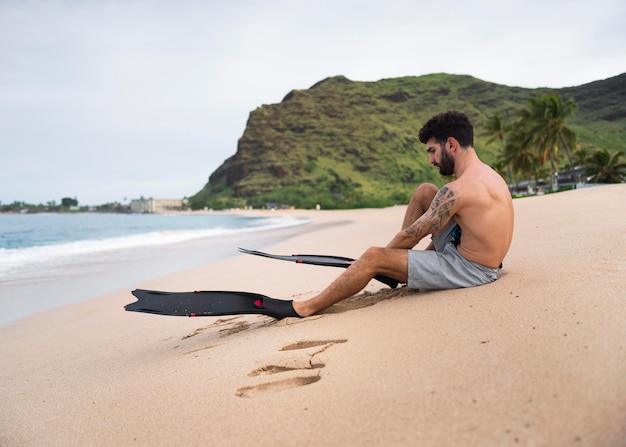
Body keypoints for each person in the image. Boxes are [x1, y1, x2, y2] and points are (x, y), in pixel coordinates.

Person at [291, 110, 514, 318]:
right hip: (483, 256)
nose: (431, 160)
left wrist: (378, 259)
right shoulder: (488, 175)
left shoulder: (458, 190)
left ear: (451, 144)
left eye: (432, 151)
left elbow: (411, 236)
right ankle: (398, 268)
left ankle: (307, 307)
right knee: (425, 192)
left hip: (471, 270)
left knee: (374, 256)